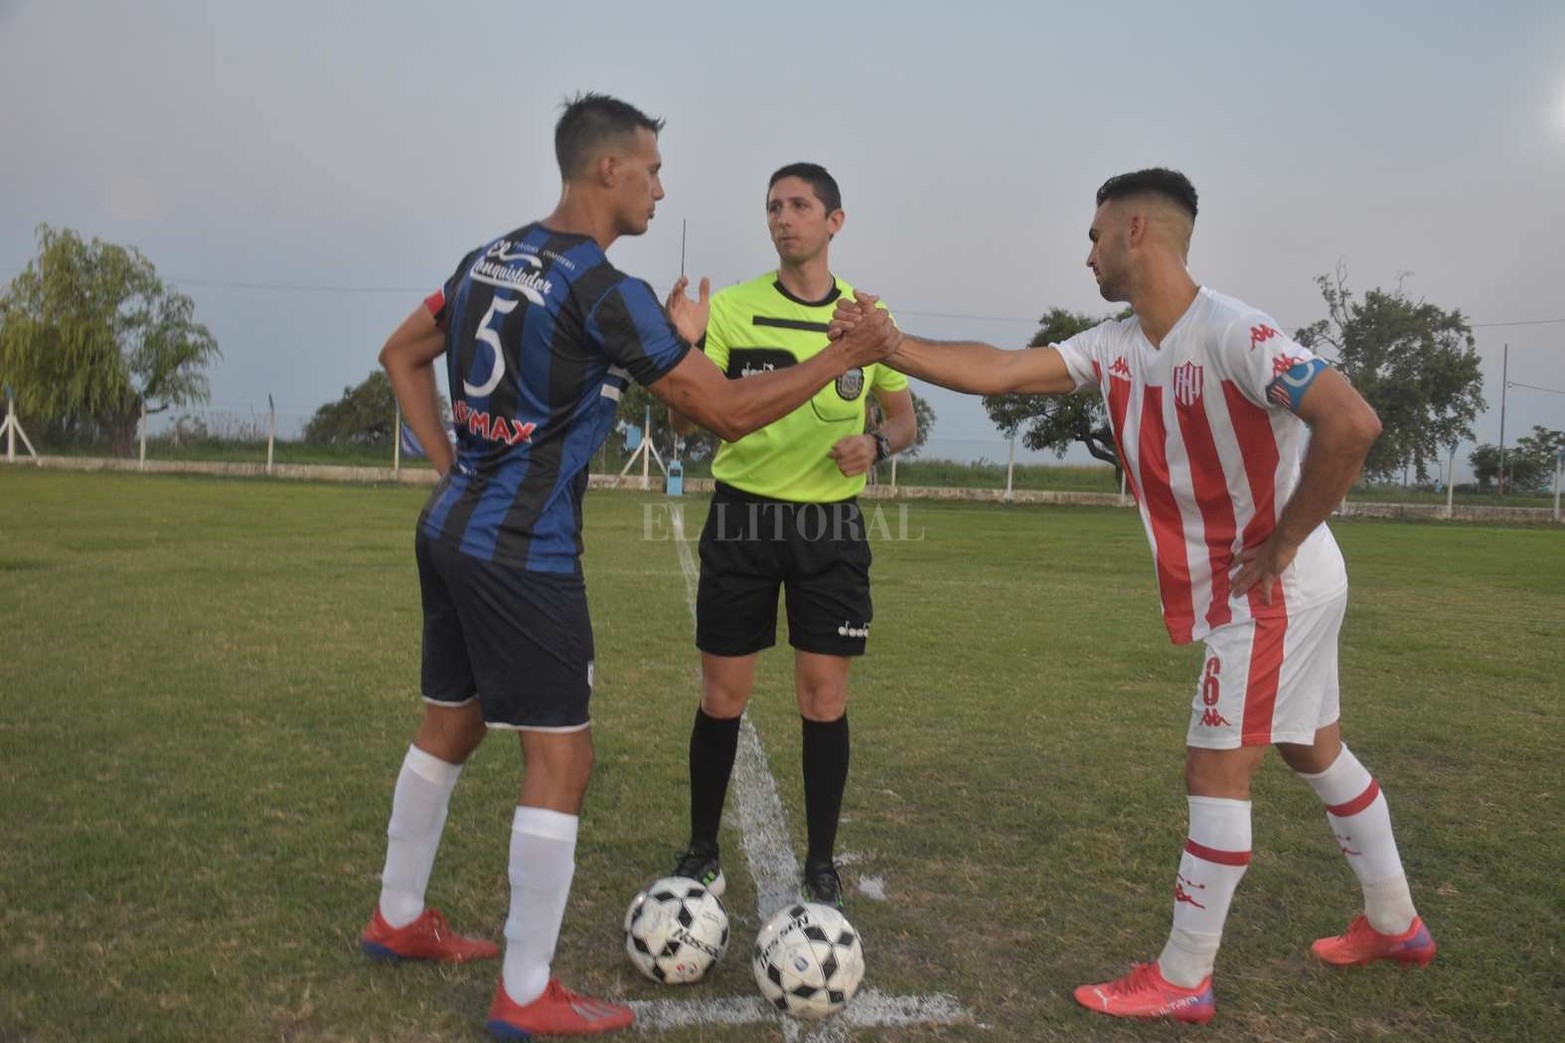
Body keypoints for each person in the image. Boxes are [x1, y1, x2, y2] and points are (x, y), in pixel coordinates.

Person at [832, 168, 1434, 1024]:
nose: (1087, 255)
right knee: (1311, 747)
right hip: (1271, 586)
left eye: (1095, 235)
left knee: (1214, 768)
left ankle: (1184, 975)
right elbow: (1003, 370)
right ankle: (1394, 921)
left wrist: (1283, 541)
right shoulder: (1116, 344)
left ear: (1137, 231)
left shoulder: (1234, 331)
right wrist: (891, 347)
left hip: (1272, 589)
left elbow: (1351, 421)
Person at [365, 94, 897, 1040]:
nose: (659, 188)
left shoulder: (489, 257)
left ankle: (397, 916)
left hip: (451, 528)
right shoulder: (603, 288)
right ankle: (525, 989)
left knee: (451, 722)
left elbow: (401, 352)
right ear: (607, 169)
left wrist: (453, 468)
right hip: (523, 551)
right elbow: (723, 411)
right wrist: (843, 355)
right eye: (650, 170)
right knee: (562, 757)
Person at [666, 163, 917, 909]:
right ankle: (702, 850)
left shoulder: (866, 317)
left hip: (829, 527)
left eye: (800, 205)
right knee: (723, 695)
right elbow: (685, 419)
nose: (783, 218)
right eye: (773, 206)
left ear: (834, 221)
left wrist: (876, 443)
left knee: (823, 698)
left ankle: (820, 863)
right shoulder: (732, 308)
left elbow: (903, 418)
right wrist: (683, 351)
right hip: (742, 517)